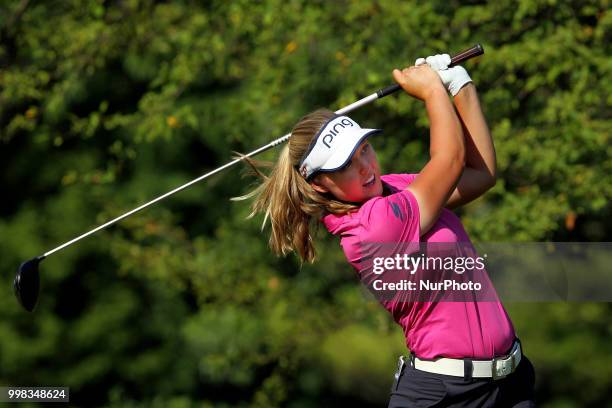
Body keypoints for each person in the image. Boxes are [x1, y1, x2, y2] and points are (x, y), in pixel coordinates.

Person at [233, 54, 536, 407]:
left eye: (365, 149)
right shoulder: (372, 226)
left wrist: (460, 86)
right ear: (319, 185)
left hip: (508, 387)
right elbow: (449, 160)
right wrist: (432, 92)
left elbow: (479, 175)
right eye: (346, 165)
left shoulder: (392, 190)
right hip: (446, 396)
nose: (365, 168)